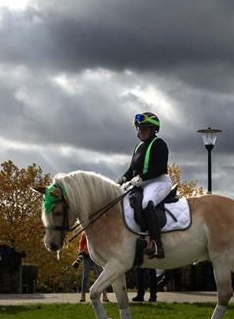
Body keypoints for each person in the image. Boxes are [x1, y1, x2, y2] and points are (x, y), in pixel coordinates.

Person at [117, 112, 172, 259]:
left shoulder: (159, 144)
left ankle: (156, 244)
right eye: (139, 128)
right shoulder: (138, 147)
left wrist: (141, 177)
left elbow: (160, 168)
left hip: (159, 181)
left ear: (154, 130)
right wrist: (123, 178)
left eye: (144, 128)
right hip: (141, 182)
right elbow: (131, 169)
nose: (141, 131)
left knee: (147, 203)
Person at [71, 232, 108, 302]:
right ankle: (83, 295)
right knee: (85, 276)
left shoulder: (98, 230)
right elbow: (81, 243)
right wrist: (80, 253)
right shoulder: (85, 232)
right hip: (86, 256)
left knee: (101, 275)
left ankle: (104, 295)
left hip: (97, 255)